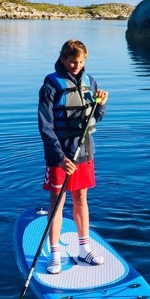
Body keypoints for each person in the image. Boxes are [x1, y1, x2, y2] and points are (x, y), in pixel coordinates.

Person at [38, 39, 109, 275]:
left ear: (85, 59)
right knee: (57, 203)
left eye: (79, 62)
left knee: (81, 199)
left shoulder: (91, 82)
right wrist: (59, 157)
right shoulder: (50, 85)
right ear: (62, 59)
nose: (75, 66)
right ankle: (55, 253)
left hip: (84, 153)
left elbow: (93, 120)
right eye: (71, 62)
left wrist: (101, 106)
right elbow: (45, 126)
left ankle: (83, 250)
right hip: (60, 156)